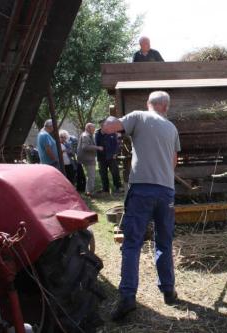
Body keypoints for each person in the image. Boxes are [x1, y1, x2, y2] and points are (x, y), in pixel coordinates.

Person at [102, 91, 180, 321]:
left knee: (133, 243)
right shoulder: (172, 128)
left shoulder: (138, 116)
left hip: (142, 189)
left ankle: (127, 297)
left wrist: (109, 120)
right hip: (166, 191)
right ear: (166, 107)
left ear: (150, 105)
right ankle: (168, 290)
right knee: (164, 242)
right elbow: (173, 162)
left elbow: (110, 128)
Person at [95, 121, 122, 194]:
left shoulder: (112, 132)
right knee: (103, 173)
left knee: (115, 172)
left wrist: (115, 153)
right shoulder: (97, 134)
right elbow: (95, 144)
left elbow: (117, 144)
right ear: (101, 126)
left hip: (111, 156)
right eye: (103, 125)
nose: (105, 127)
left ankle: (117, 187)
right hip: (101, 157)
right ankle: (105, 189)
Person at [77, 123, 103, 196]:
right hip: (88, 159)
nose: (94, 129)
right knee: (91, 175)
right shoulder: (85, 136)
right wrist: (97, 147)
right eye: (93, 128)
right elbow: (85, 147)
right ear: (88, 128)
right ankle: (90, 192)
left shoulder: (87, 135)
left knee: (90, 175)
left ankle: (88, 191)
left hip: (88, 158)